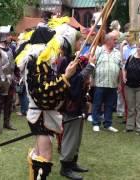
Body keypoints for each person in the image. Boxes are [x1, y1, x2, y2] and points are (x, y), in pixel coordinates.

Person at [15, 17, 78, 180]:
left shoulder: (39, 61)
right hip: (40, 114)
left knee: (38, 152)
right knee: (45, 157)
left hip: (41, 114)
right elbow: (43, 92)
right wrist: (66, 77)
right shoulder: (38, 62)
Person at [58, 37, 94, 179]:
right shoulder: (67, 62)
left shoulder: (75, 59)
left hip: (78, 104)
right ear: (72, 44)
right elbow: (74, 84)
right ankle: (65, 167)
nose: (82, 44)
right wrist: (90, 67)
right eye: (80, 41)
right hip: (70, 105)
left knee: (77, 137)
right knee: (71, 136)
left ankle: (73, 163)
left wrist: (88, 63)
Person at [92, 33, 121, 133]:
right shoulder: (98, 50)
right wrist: (91, 80)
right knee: (97, 104)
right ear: (108, 40)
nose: (116, 42)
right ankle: (96, 123)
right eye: (114, 40)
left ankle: (108, 124)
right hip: (100, 83)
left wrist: (120, 83)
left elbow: (120, 68)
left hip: (113, 84)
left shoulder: (117, 52)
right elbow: (92, 65)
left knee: (109, 105)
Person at [0, 25, 17, 134]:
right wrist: (1, 75)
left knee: (9, 102)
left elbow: (13, 63)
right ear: (3, 36)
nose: (11, 36)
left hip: (10, 79)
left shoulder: (11, 49)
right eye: (9, 35)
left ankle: (7, 122)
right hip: (0, 79)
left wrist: (15, 75)